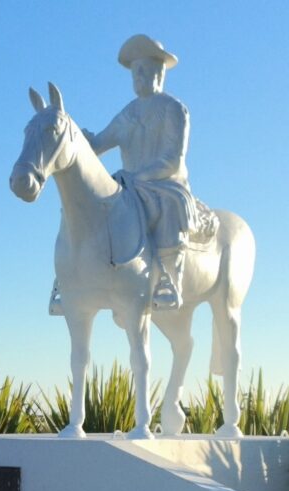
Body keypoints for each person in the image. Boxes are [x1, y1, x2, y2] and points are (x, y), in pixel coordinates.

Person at [82, 34, 198, 310]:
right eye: (135, 71)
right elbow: (100, 143)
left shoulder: (174, 109)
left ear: (159, 73)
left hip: (163, 183)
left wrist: (139, 176)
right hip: (129, 186)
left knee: (168, 209)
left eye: (144, 69)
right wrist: (77, 138)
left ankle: (170, 281)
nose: (139, 76)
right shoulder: (128, 113)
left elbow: (173, 158)